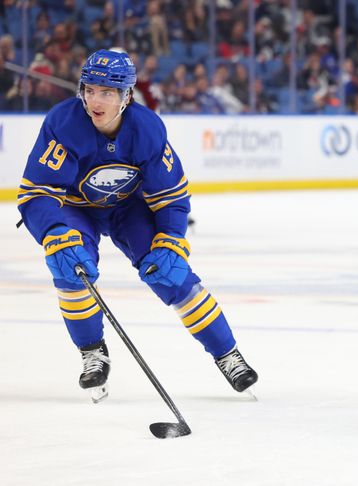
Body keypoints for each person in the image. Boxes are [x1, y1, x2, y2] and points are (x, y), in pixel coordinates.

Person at [17, 49, 258, 402]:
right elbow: (37, 192)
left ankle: (227, 353)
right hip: (74, 207)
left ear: (126, 96)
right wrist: (54, 231)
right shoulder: (63, 122)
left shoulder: (146, 128)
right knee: (70, 266)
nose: (95, 100)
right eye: (90, 89)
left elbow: (171, 198)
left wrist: (171, 240)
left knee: (170, 272)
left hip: (127, 208)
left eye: (107, 92)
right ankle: (92, 352)